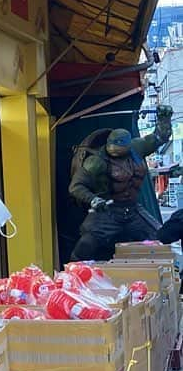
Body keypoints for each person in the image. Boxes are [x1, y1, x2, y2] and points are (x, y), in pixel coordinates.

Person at [69, 106, 173, 261]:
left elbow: (160, 137)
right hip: (108, 211)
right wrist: (93, 199)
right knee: (86, 243)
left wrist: (164, 118)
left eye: (119, 149)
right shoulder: (96, 161)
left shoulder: (138, 147)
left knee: (160, 236)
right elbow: (75, 186)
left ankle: (163, 271)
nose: (114, 151)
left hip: (132, 209)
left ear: (128, 146)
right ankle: (71, 275)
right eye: (112, 148)